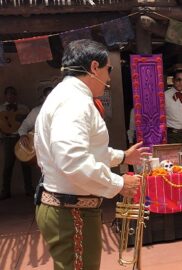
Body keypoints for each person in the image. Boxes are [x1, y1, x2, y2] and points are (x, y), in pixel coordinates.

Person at [34, 39, 148, 270]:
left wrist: (123, 157)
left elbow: (87, 151)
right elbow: (74, 160)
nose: (108, 79)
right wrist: (118, 183)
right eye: (109, 70)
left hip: (71, 208)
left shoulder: (69, 96)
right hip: (71, 211)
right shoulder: (74, 101)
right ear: (94, 67)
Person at [0, 86, 32, 200]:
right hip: (8, 139)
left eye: (14, 93)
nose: (12, 96)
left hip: (21, 138)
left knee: (26, 164)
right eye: (9, 94)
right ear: (5, 95)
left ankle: (29, 190)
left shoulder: (23, 108)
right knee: (8, 165)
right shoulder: (1, 109)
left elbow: (29, 122)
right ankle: (5, 191)